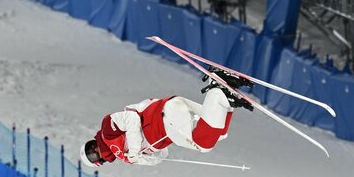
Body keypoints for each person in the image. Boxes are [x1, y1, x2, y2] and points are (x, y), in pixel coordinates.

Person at [81, 72, 253, 168]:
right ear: (100, 162)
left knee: (204, 144)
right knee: (220, 134)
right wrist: (139, 158)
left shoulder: (107, 130)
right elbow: (161, 155)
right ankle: (226, 98)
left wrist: (133, 150)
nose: (95, 150)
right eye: (92, 155)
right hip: (169, 121)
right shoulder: (124, 157)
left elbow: (132, 118)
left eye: (91, 147)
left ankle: (216, 92)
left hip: (164, 118)